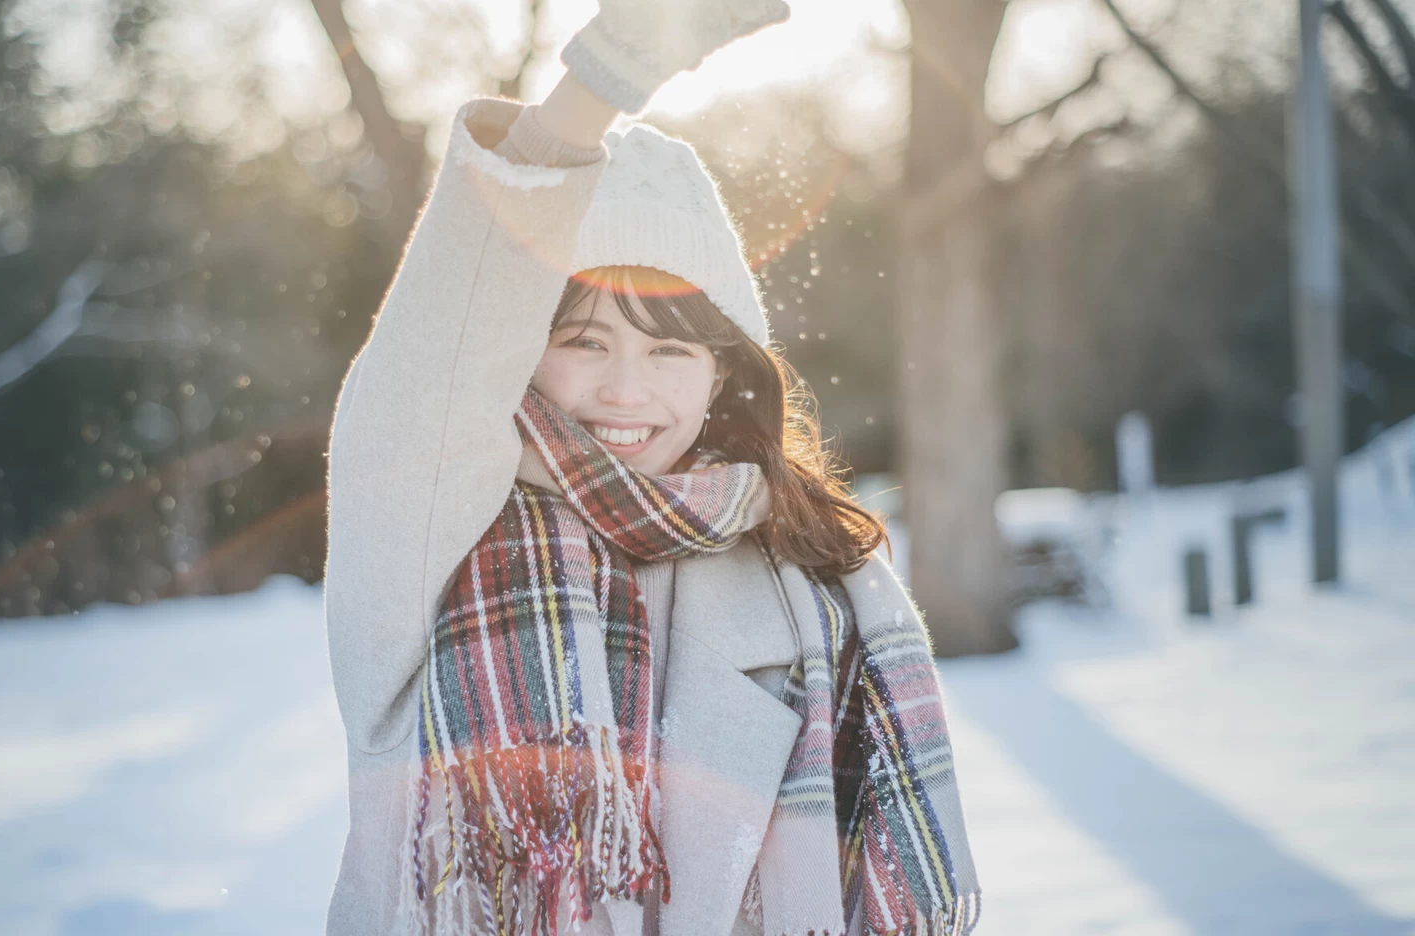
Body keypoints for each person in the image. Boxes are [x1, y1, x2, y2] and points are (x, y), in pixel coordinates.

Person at [322, 1, 982, 933]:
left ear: (725, 373)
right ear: (518, 344)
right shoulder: (431, 532)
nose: (625, 391)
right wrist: (601, 80)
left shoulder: (818, 584)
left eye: (671, 350)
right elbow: (439, 353)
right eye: (583, 340)